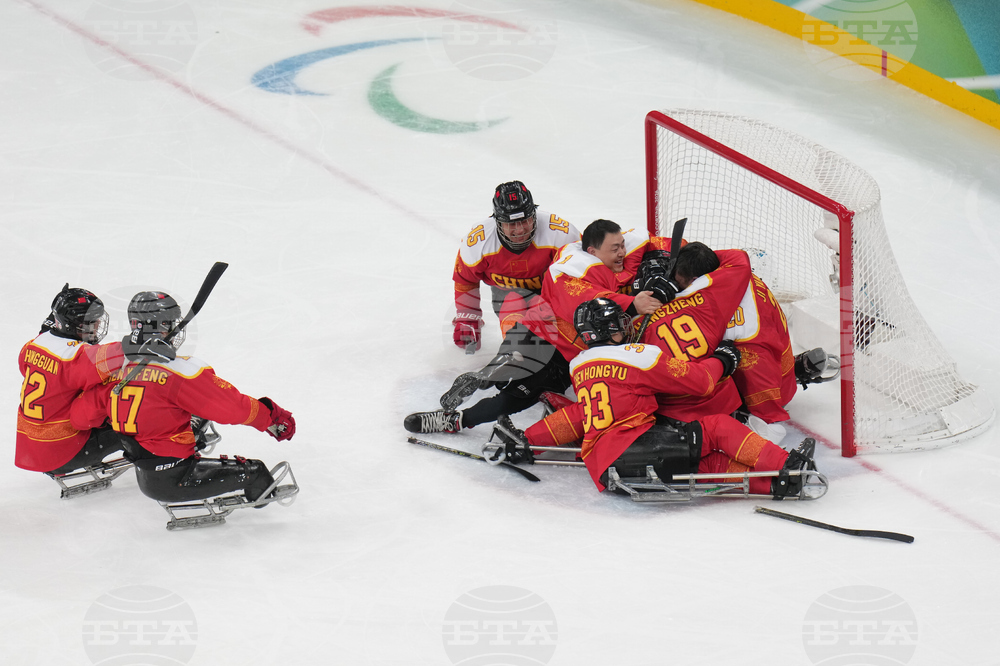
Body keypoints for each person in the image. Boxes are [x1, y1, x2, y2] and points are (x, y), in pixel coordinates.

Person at [497, 297, 820, 499]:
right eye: (622, 323)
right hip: (640, 449)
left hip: (606, 470)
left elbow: (579, 417)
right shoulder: (636, 355)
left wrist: (525, 441)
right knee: (718, 428)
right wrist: (724, 358)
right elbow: (699, 382)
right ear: (612, 329)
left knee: (708, 465)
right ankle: (788, 465)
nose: (628, 327)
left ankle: (778, 485)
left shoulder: (580, 367)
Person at [404, 219, 667, 434]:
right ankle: (458, 417)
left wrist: (662, 256)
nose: (622, 252)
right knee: (516, 397)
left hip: (538, 329)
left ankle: (489, 376)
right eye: (615, 248)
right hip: (552, 343)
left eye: (622, 246)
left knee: (510, 373)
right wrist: (633, 305)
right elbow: (584, 303)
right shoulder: (574, 268)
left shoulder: (612, 252)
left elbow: (647, 239)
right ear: (593, 252)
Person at [70, 291, 297, 510]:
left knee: (189, 414)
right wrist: (270, 416)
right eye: (169, 324)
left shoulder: (114, 368)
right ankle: (258, 488)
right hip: (179, 477)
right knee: (257, 473)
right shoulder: (181, 372)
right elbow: (232, 407)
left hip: (145, 476)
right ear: (160, 328)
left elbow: (80, 418)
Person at [16, 284, 130, 495]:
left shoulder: (33, 345)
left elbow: (27, 366)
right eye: (90, 322)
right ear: (71, 326)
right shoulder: (76, 357)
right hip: (65, 453)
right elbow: (111, 356)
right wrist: (137, 343)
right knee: (127, 398)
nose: (96, 326)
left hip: (32, 449)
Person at [452, 181, 580, 352]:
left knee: (540, 311)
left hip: (548, 294)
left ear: (534, 215)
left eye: (525, 221)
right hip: (506, 296)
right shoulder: (477, 242)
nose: (520, 230)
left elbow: (584, 272)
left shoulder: (562, 234)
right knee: (512, 306)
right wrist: (468, 318)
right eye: (512, 224)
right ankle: (513, 352)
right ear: (497, 222)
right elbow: (465, 279)